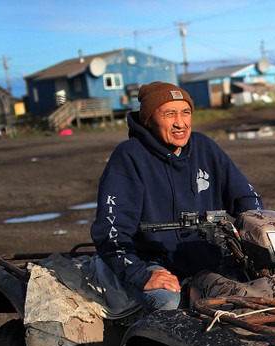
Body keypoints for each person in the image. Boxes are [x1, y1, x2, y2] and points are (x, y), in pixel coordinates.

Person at [91, 81, 262, 311]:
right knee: (170, 303)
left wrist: (261, 231)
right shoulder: (129, 156)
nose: (180, 123)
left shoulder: (204, 147)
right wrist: (140, 274)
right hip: (152, 264)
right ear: (148, 119)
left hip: (209, 260)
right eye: (169, 114)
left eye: (185, 112)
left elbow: (247, 200)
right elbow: (110, 231)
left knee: (266, 289)